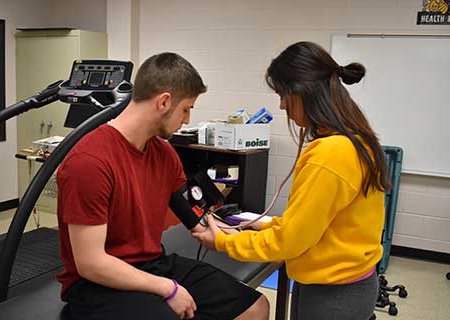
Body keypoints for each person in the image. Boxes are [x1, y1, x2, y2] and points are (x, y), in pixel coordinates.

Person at [56, 52, 269, 320]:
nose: (188, 120)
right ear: (164, 102)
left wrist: (258, 237)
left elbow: (197, 218)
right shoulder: (89, 162)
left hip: (152, 265)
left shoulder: (164, 155)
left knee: (255, 307)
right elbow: (91, 264)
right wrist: (167, 288)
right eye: (186, 109)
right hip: (98, 285)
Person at [192, 41, 391, 320]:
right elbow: (317, 224)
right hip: (342, 283)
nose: (282, 105)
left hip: (334, 293)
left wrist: (224, 242)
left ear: (304, 92)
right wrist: (257, 227)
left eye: (283, 95)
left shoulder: (331, 153)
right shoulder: (357, 140)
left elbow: (291, 241)